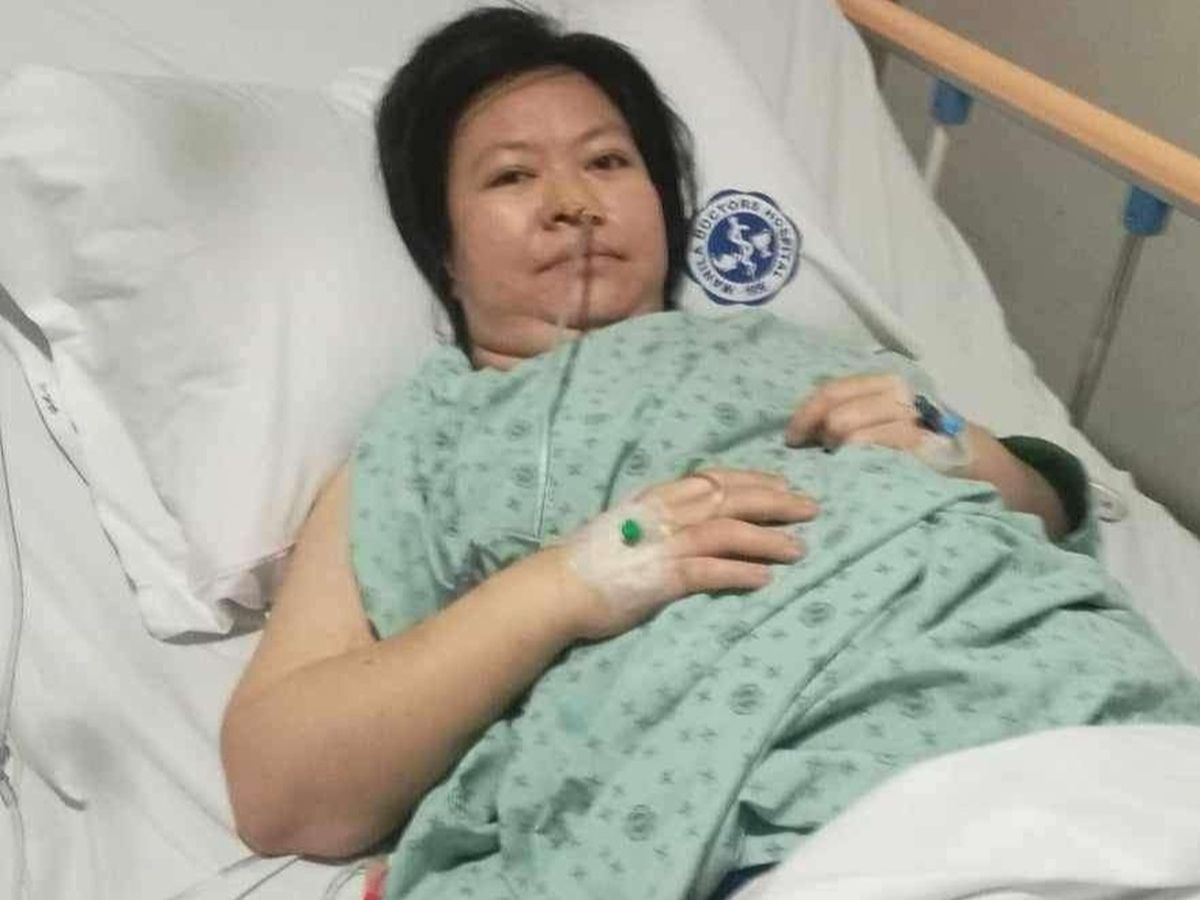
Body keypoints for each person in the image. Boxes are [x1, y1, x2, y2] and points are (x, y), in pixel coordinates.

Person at [220, 7, 1200, 899]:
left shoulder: (803, 349)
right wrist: (571, 584)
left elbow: (1045, 513)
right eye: (512, 176)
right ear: (443, 246)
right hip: (812, 806)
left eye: (609, 162)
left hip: (1096, 721)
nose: (572, 202)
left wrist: (956, 447)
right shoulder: (420, 443)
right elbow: (280, 785)